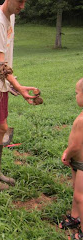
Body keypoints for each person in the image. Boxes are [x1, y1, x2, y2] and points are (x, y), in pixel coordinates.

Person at [0, 0, 38, 190]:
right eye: (20, 1)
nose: (23, 6)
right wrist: (19, 87)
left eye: (25, 2)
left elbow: (5, 61)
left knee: (2, 129)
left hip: (0, 83)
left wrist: (13, 82)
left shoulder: (10, 17)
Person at [59, 78, 83, 240]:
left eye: (77, 93)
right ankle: (75, 217)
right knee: (76, 190)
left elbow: (75, 145)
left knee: (80, 196)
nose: (75, 96)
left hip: (81, 163)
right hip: (78, 162)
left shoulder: (81, 121)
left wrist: (67, 154)